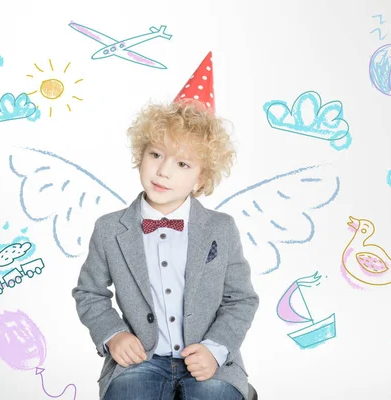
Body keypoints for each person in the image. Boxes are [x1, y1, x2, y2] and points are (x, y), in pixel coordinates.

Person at [72, 52, 259, 400]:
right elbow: (89, 293)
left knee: (216, 396)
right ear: (140, 154)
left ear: (201, 177)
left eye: (183, 163)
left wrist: (216, 349)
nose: (164, 171)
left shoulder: (221, 228)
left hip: (208, 360)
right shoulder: (110, 229)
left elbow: (241, 300)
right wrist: (114, 335)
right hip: (140, 360)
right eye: (156, 154)